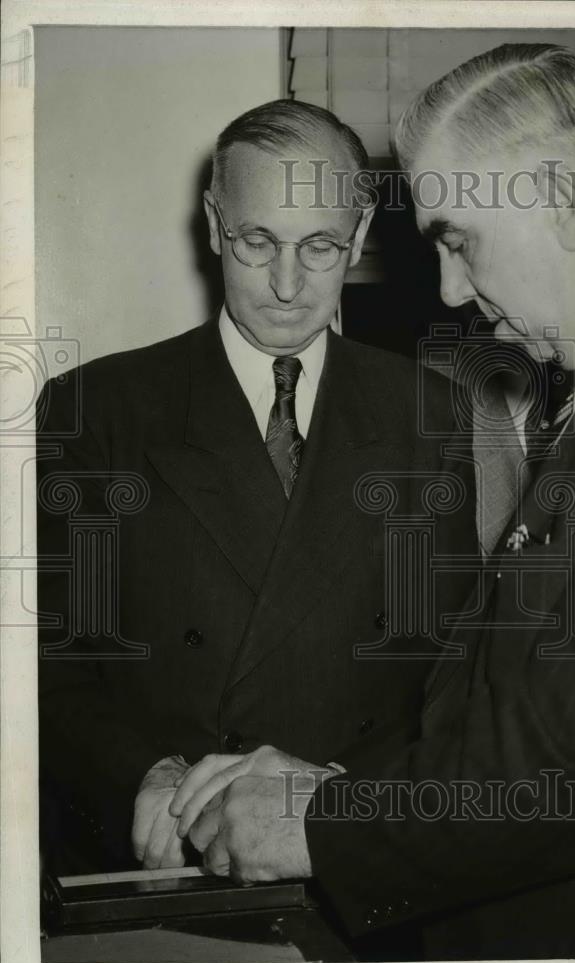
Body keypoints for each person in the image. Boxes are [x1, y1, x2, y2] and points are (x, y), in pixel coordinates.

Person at [173, 45, 575, 960]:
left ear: (560, 197)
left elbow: (564, 768)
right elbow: (532, 710)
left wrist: (313, 822)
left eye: (456, 238)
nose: (450, 291)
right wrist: (337, 785)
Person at [36, 100, 482, 875]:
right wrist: (140, 780)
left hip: (343, 849)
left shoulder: (429, 414)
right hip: (172, 853)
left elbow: (450, 665)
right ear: (214, 225)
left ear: (362, 231)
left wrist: (352, 806)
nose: (286, 284)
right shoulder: (96, 410)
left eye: (318, 246)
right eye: (256, 241)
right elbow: (46, 657)